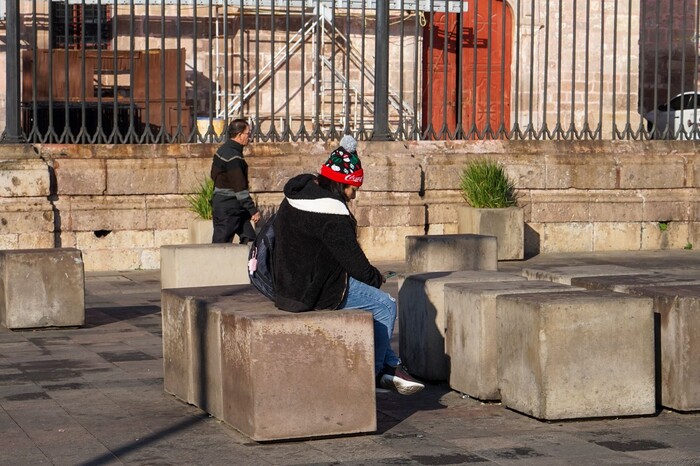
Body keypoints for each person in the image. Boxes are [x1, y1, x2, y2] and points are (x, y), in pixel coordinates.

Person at [272, 135, 424, 396]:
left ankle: (392, 366)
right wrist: (376, 278)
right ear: (341, 185)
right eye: (352, 190)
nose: (353, 197)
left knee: (377, 304)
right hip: (313, 290)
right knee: (385, 305)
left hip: (285, 283)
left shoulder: (298, 195)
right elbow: (356, 265)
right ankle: (375, 375)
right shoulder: (332, 213)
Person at [210, 118, 261, 244]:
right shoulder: (234, 156)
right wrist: (253, 210)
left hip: (233, 207)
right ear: (239, 135)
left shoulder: (222, 150)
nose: (249, 137)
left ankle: (246, 264)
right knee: (220, 247)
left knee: (251, 240)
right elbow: (240, 188)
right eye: (248, 134)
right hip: (228, 208)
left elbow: (213, 175)